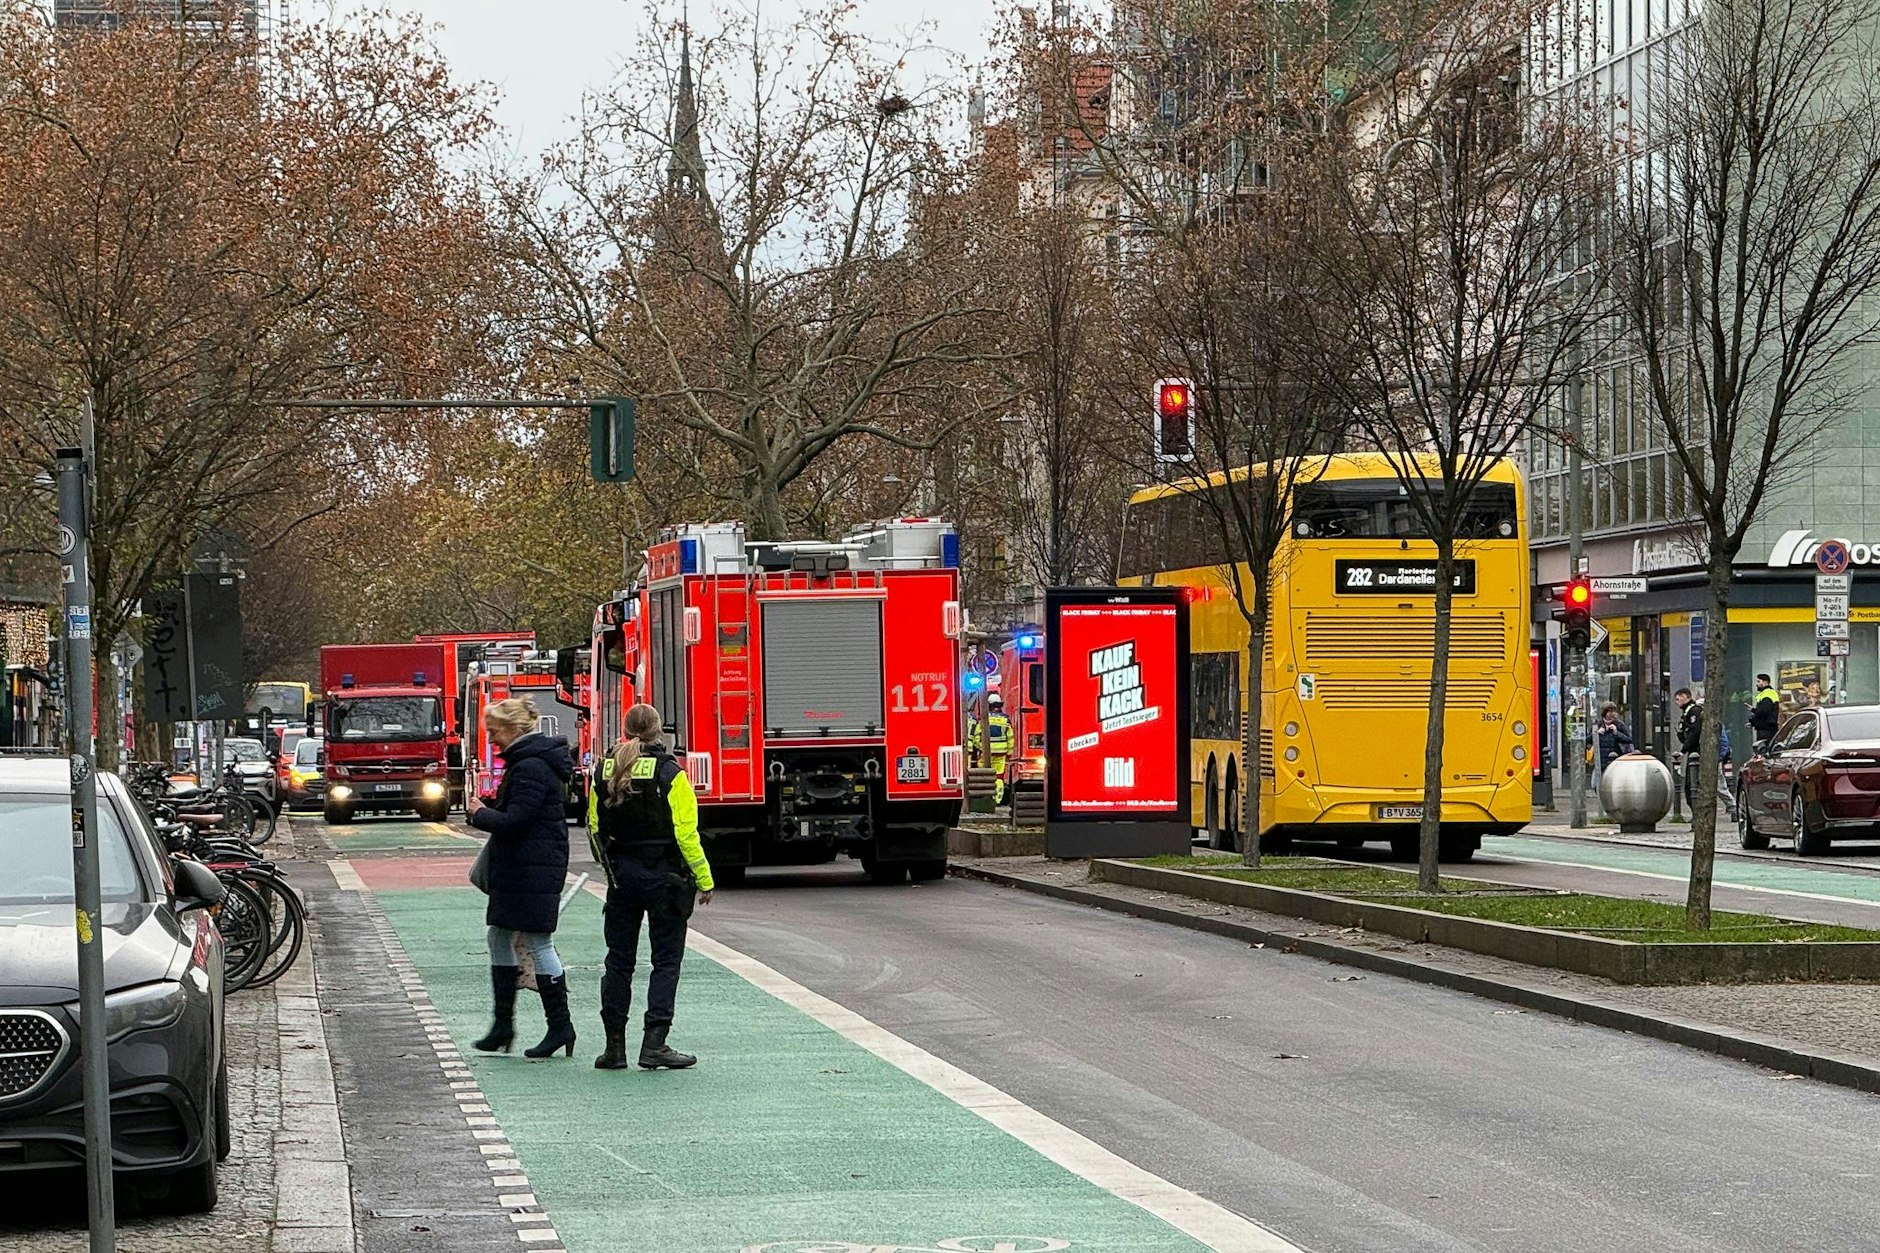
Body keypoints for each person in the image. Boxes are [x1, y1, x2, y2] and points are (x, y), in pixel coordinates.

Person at [587, 703, 715, 1071]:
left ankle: (614, 1048)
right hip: (665, 879)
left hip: (622, 879)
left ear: (626, 729)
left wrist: (610, 869)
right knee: (666, 961)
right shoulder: (670, 773)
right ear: (659, 731)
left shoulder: (604, 770)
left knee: (618, 962)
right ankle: (654, 1044)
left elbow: (594, 827)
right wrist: (704, 879)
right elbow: (686, 834)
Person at [467, 697, 578, 1059]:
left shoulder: (530, 767)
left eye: (494, 731)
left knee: (538, 942)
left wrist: (480, 814)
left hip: (530, 868)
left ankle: (558, 1026)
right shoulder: (530, 763)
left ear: (514, 729)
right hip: (525, 867)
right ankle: (505, 1025)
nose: (491, 739)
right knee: (500, 935)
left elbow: (517, 821)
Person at [1674, 687, 1702, 806]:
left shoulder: (1694, 711)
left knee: (1693, 785)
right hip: (1692, 751)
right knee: (1689, 786)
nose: (1676, 702)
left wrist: (1683, 750)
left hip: (1697, 752)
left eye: (1678, 699)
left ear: (1685, 697)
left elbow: (1694, 733)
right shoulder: (1686, 712)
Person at [987, 693, 1013, 806]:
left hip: (987, 752)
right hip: (1001, 753)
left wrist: (979, 748)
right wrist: (1009, 753)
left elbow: (978, 734)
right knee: (999, 776)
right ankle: (997, 800)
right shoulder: (1006, 719)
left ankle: (988, 798)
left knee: (986, 775)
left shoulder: (985, 717)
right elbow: (1010, 738)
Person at [1593, 703, 1634, 773]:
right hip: (1600, 762)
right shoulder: (1598, 724)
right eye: (1609, 711)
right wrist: (1596, 734)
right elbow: (1587, 740)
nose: (1612, 714)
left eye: (1613, 711)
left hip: (1616, 761)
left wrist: (1616, 733)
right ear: (1604, 712)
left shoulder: (1619, 724)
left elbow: (1629, 739)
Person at [1749, 674, 1781, 749]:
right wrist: (1753, 711)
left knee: (1763, 751)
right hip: (1768, 729)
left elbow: (1763, 713)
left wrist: (1753, 720)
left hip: (1766, 731)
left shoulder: (1767, 694)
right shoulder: (1768, 693)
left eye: (1758, 681)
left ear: (1765, 683)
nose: (1756, 684)